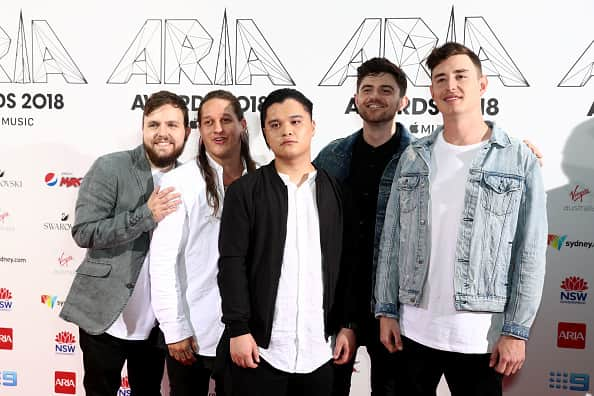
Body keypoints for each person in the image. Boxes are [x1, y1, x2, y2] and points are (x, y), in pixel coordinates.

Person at [374, 42, 547, 396]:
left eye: (460, 75)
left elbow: (530, 254)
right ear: (432, 92)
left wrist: (515, 331)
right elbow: (392, 238)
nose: (450, 85)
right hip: (414, 330)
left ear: (482, 85)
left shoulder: (518, 159)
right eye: (440, 79)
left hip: (480, 338)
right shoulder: (413, 157)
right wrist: (386, 309)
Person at [217, 88, 357, 396]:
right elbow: (231, 264)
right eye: (275, 124)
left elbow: (347, 265)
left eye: (295, 121)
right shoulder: (245, 192)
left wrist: (347, 324)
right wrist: (238, 329)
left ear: (312, 126)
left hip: (320, 351)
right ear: (265, 132)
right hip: (261, 349)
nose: (286, 130)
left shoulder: (337, 193)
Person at [60, 90, 190, 396]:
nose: (162, 133)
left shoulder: (192, 178)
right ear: (142, 127)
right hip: (104, 316)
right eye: (154, 124)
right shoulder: (110, 167)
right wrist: (145, 215)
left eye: (172, 125)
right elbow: (85, 232)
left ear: (186, 130)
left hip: (158, 322)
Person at [314, 57, 411, 396]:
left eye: (386, 90)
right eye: (367, 89)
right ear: (355, 99)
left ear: (403, 101)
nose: (375, 96)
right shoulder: (330, 156)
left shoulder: (420, 157)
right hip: (337, 301)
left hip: (397, 306)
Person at [149, 90, 256, 396]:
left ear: (242, 124)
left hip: (246, 332)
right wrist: (175, 327)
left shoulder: (262, 176)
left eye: (226, 120)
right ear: (199, 129)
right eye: (208, 122)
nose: (218, 129)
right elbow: (163, 261)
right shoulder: (179, 182)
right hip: (193, 329)